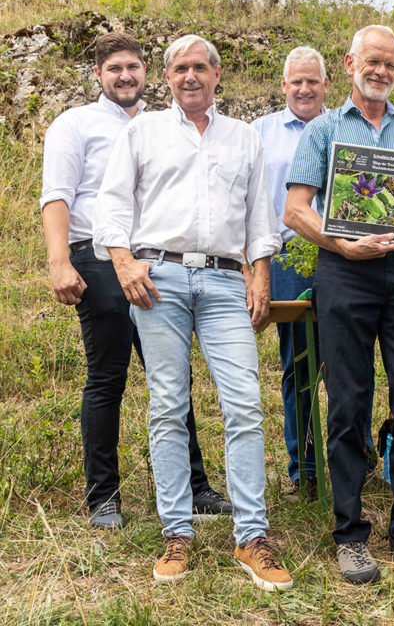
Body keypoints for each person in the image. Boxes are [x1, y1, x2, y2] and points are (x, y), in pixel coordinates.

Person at [93, 34, 291, 591]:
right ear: (167, 76)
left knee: (244, 404)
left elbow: (259, 216)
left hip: (226, 281)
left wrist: (260, 273)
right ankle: (177, 533)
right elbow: (112, 204)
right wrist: (124, 262)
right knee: (168, 405)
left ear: (217, 74)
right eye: (180, 68)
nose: (190, 76)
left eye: (200, 67)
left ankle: (251, 537)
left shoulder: (243, 137)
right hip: (159, 279)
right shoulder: (143, 132)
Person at [284, 24, 394, 584]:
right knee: (348, 403)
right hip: (345, 273)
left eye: (389, 64)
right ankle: (351, 535)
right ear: (350, 62)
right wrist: (341, 245)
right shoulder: (323, 130)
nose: (380, 71)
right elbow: (295, 210)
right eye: (372, 61)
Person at [39, 31, 230, 531]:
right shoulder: (75, 124)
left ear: (148, 72)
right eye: (114, 69)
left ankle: (195, 488)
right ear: (98, 75)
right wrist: (60, 262)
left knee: (173, 377)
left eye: (133, 67)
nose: (125, 76)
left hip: (157, 261)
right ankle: (104, 497)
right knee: (108, 377)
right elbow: (56, 195)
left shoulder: (164, 125)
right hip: (99, 259)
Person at [252, 46, 376, 501]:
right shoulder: (260, 133)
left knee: (354, 361)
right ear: (284, 85)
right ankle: (303, 469)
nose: (304, 89)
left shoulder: (349, 126)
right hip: (288, 256)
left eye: (312, 81)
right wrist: (255, 266)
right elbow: (250, 203)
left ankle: (359, 459)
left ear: (327, 84)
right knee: (299, 364)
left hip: (351, 258)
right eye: (296, 81)